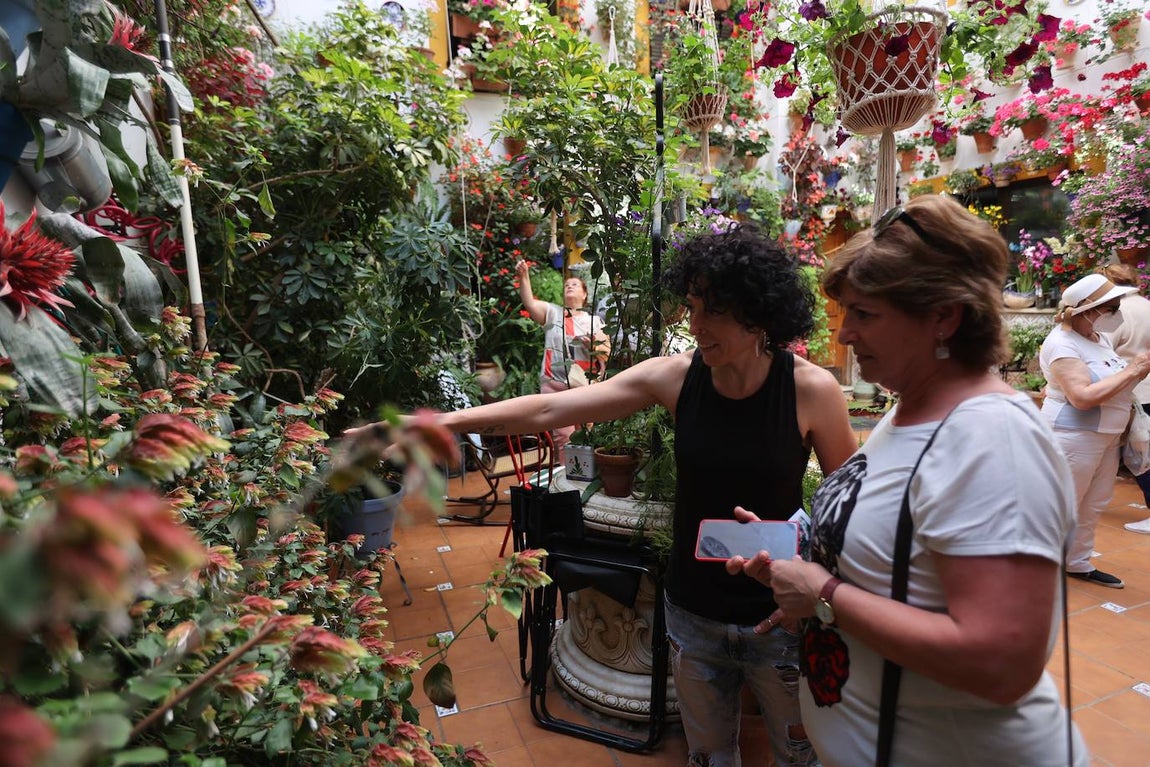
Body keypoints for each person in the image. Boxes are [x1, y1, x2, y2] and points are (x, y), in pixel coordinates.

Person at [350, 224, 858, 766]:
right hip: (693, 614)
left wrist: (816, 585)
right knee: (708, 756)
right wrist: (434, 423)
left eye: (714, 311)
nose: (696, 325)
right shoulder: (675, 379)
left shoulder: (811, 391)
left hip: (777, 616)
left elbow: (849, 511)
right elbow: (549, 409)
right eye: (692, 306)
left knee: (800, 756)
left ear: (759, 313)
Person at [727, 195, 1089, 766]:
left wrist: (824, 594)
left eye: (864, 314)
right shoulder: (911, 409)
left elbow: (1002, 663)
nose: (843, 336)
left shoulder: (992, 438)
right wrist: (799, 553)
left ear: (943, 316)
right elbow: (902, 554)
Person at [1040, 272, 1150, 586]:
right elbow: (1082, 397)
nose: (1117, 313)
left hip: (1105, 435)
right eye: (1111, 307)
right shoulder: (1062, 344)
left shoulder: (1097, 339)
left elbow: (1115, 382)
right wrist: (1134, 369)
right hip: (1074, 435)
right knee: (1064, 501)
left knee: (1095, 501)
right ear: (1088, 311)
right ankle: (1038, 568)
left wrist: (1136, 373)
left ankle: (1077, 562)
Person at [515, 259, 610, 461]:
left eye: (574, 284)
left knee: (586, 435)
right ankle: (566, 484)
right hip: (555, 382)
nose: (569, 286)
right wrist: (523, 276)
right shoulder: (552, 313)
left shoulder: (594, 320)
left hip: (585, 385)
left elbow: (605, 353)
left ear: (584, 294)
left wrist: (592, 345)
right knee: (563, 438)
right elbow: (530, 303)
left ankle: (583, 480)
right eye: (566, 285)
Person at [1097, 263, 1150, 534]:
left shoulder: (1117, 312)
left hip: (1130, 391)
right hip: (1146, 388)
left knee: (1138, 456)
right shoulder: (1146, 305)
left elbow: (1102, 350)